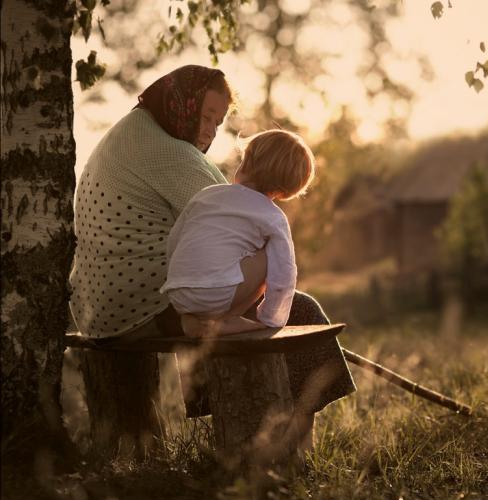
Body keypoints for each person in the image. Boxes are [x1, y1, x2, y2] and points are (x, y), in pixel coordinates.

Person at [68, 65, 355, 437]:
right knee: (299, 310)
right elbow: (241, 231)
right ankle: (291, 443)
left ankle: (262, 425)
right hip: (140, 308)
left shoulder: (133, 131)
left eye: (218, 122)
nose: (209, 130)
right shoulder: (171, 154)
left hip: (97, 306)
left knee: (227, 293)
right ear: (181, 104)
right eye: (205, 116)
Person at [160, 129, 315, 338]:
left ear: (246, 164)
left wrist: (178, 278)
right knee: (271, 256)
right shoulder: (273, 216)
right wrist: (271, 319)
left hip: (178, 293)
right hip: (217, 294)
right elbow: (284, 273)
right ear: (284, 191)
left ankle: (192, 321)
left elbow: (175, 241)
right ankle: (226, 319)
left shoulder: (207, 195)